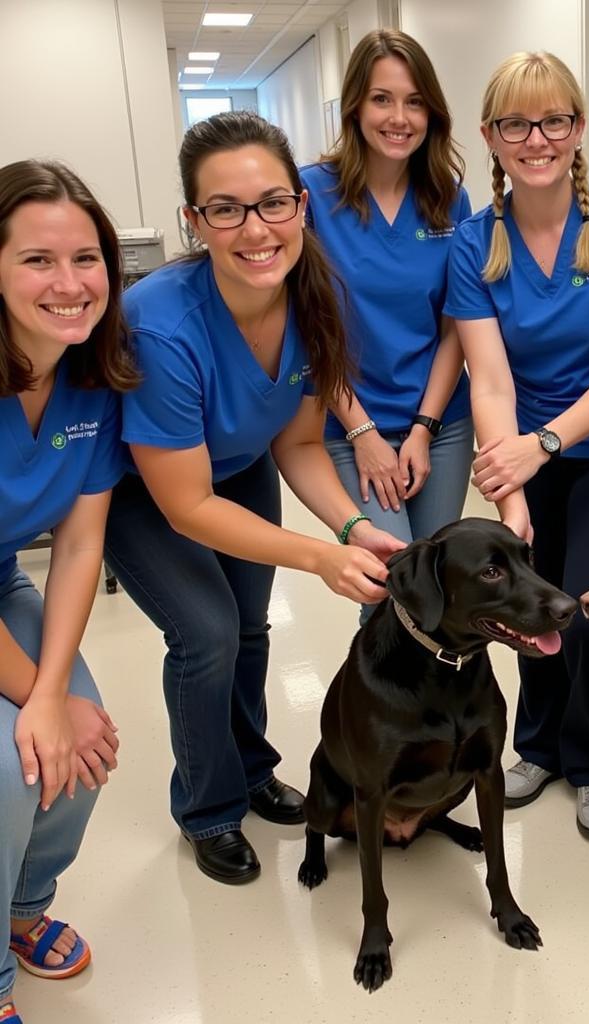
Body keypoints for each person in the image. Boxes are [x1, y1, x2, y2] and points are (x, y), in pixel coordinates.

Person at [102, 112, 404, 886]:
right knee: (206, 634)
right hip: (145, 492)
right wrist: (321, 557)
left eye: (273, 202)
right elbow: (186, 506)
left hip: (238, 467)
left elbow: (298, 441)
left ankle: (252, 766)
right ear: (193, 221)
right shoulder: (161, 324)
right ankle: (207, 809)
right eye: (226, 209)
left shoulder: (314, 294)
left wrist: (353, 522)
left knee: (250, 626)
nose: (255, 229)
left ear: (301, 205)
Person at [446, 51, 589, 840]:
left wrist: (540, 446)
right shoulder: (474, 243)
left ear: (579, 130)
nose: (535, 138)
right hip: (522, 452)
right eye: (516, 122)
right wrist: (509, 488)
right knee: (526, 608)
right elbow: (488, 381)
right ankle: (537, 746)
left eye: (553, 121)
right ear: (490, 135)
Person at [1, 160, 130, 1024]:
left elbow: (81, 543)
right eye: (38, 261)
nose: (70, 283)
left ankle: (23, 908)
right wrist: (37, 700)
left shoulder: (93, 376)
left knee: (82, 745)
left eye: (87, 259)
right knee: (15, 768)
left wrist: (53, 692)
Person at [301, 30, 473, 623]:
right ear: (354, 106)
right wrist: (364, 433)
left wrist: (424, 428)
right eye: (382, 99)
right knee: (390, 586)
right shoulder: (312, 196)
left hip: (441, 423)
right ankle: (380, 715)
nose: (399, 118)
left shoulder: (449, 198)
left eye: (415, 101)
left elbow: (457, 325)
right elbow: (309, 330)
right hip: (349, 422)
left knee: (444, 590)